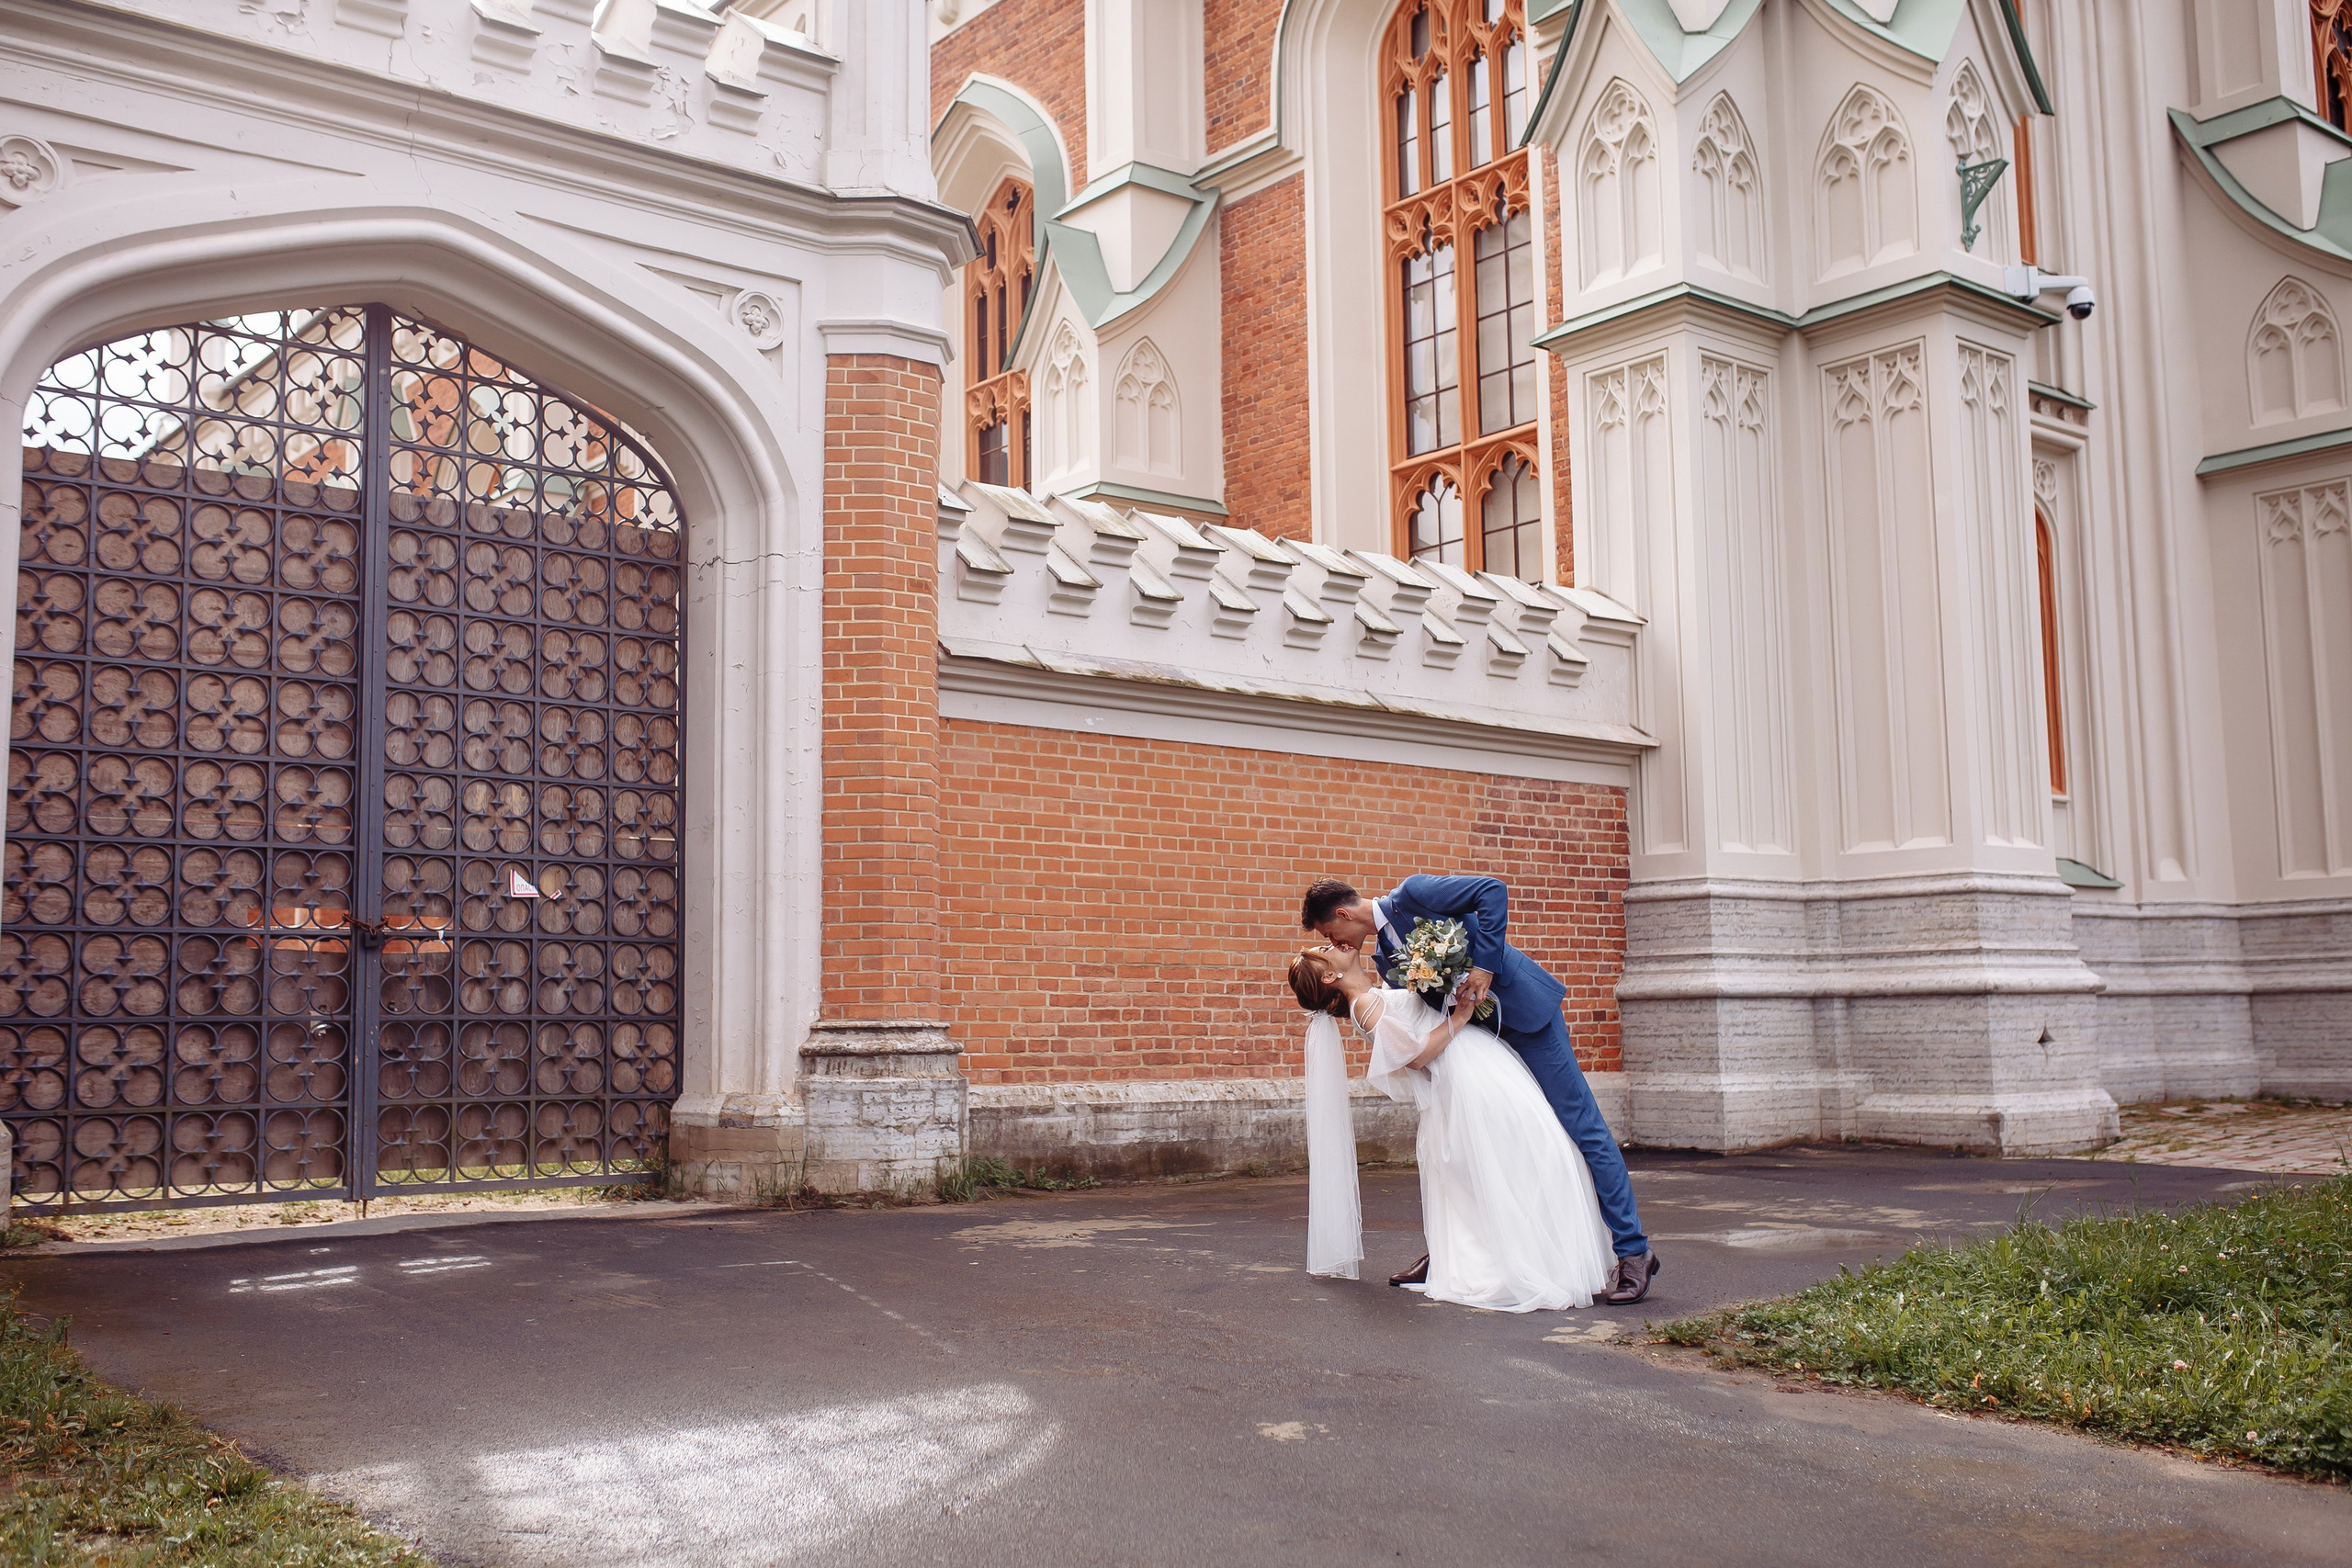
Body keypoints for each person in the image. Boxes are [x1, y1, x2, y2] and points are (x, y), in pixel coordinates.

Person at [1301, 874, 1661, 1304]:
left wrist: (1484, 966)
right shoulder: (1382, 958)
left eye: (1329, 933)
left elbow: (1492, 892)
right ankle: (1455, 1252)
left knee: (1582, 1129)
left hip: (1527, 1019)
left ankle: (1634, 1252)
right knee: (1468, 1152)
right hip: (1479, 1046)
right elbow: (1417, 1019)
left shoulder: (1414, 895)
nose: (1334, 941)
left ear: (1343, 915)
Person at [1287, 944, 1614, 1311]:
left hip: (1475, 1062)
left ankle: (1544, 1256)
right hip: (1463, 1075)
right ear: (1329, 976)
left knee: (1523, 1156)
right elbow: (1416, 1056)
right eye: (1324, 949)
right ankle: (1534, 1262)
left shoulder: (1370, 995)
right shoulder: (1364, 1005)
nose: (1333, 944)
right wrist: (1458, 1018)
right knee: (1525, 1155)